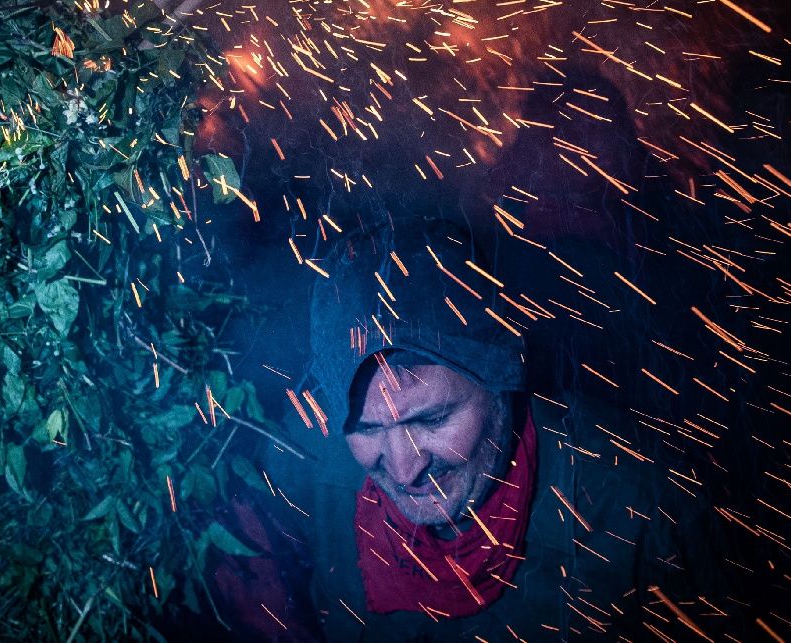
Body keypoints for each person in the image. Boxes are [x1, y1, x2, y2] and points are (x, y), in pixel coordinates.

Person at [213, 217, 733, 641]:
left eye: (433, 419)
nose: (402, 467)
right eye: (366, 430)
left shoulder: (641, 506)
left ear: (503, 380)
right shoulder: (308, 466)